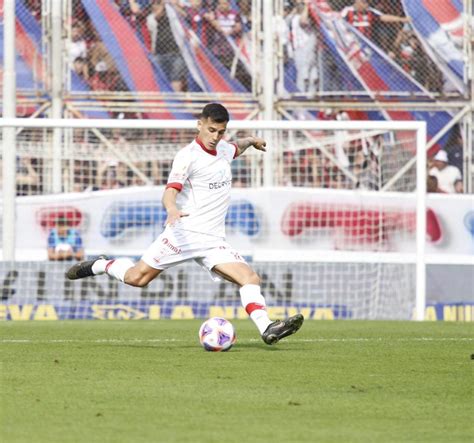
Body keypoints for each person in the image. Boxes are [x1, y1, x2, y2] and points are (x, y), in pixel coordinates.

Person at [66, 103, 304, 345]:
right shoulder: (187, 156)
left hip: (212, 241)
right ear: (199, 125)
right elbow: (170, 191)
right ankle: (102, 265)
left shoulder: (223, 149)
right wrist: (172, 210)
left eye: (220, 132)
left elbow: (236, 148)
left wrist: (252, 140)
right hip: (183, 234)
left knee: (250, 278)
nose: (215, 137)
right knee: (137, 278)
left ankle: (267, 328)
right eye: (211, 130)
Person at [341, 0, 410, 42]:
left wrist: (401, 19)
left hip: (367, 41)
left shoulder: (370, 11)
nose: (366, 5)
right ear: (356, 1)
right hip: (352, 40)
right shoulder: (347, 10)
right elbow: (340, 22)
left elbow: (384, 17)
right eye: (364, 2)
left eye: (367, 2)